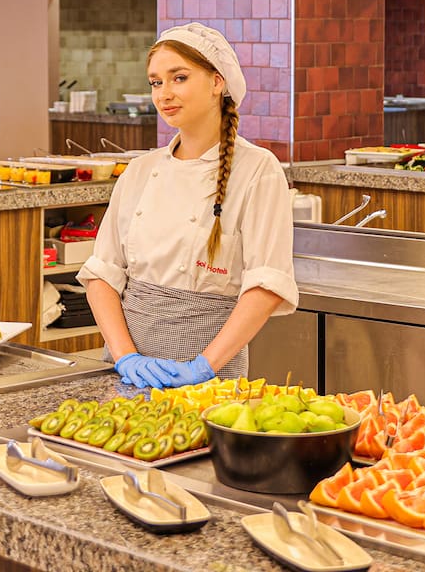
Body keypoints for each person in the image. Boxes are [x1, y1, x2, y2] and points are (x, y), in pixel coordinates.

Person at [78, 23, 297, 389]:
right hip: (125, 372)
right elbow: (102, 274)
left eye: (178, 78)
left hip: (210, 377)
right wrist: (126, 357)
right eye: (156, 82)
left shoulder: (258, 170)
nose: (164, 94)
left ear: (217, 82)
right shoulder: (139, 170)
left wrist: (202, 367)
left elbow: (267, 284)